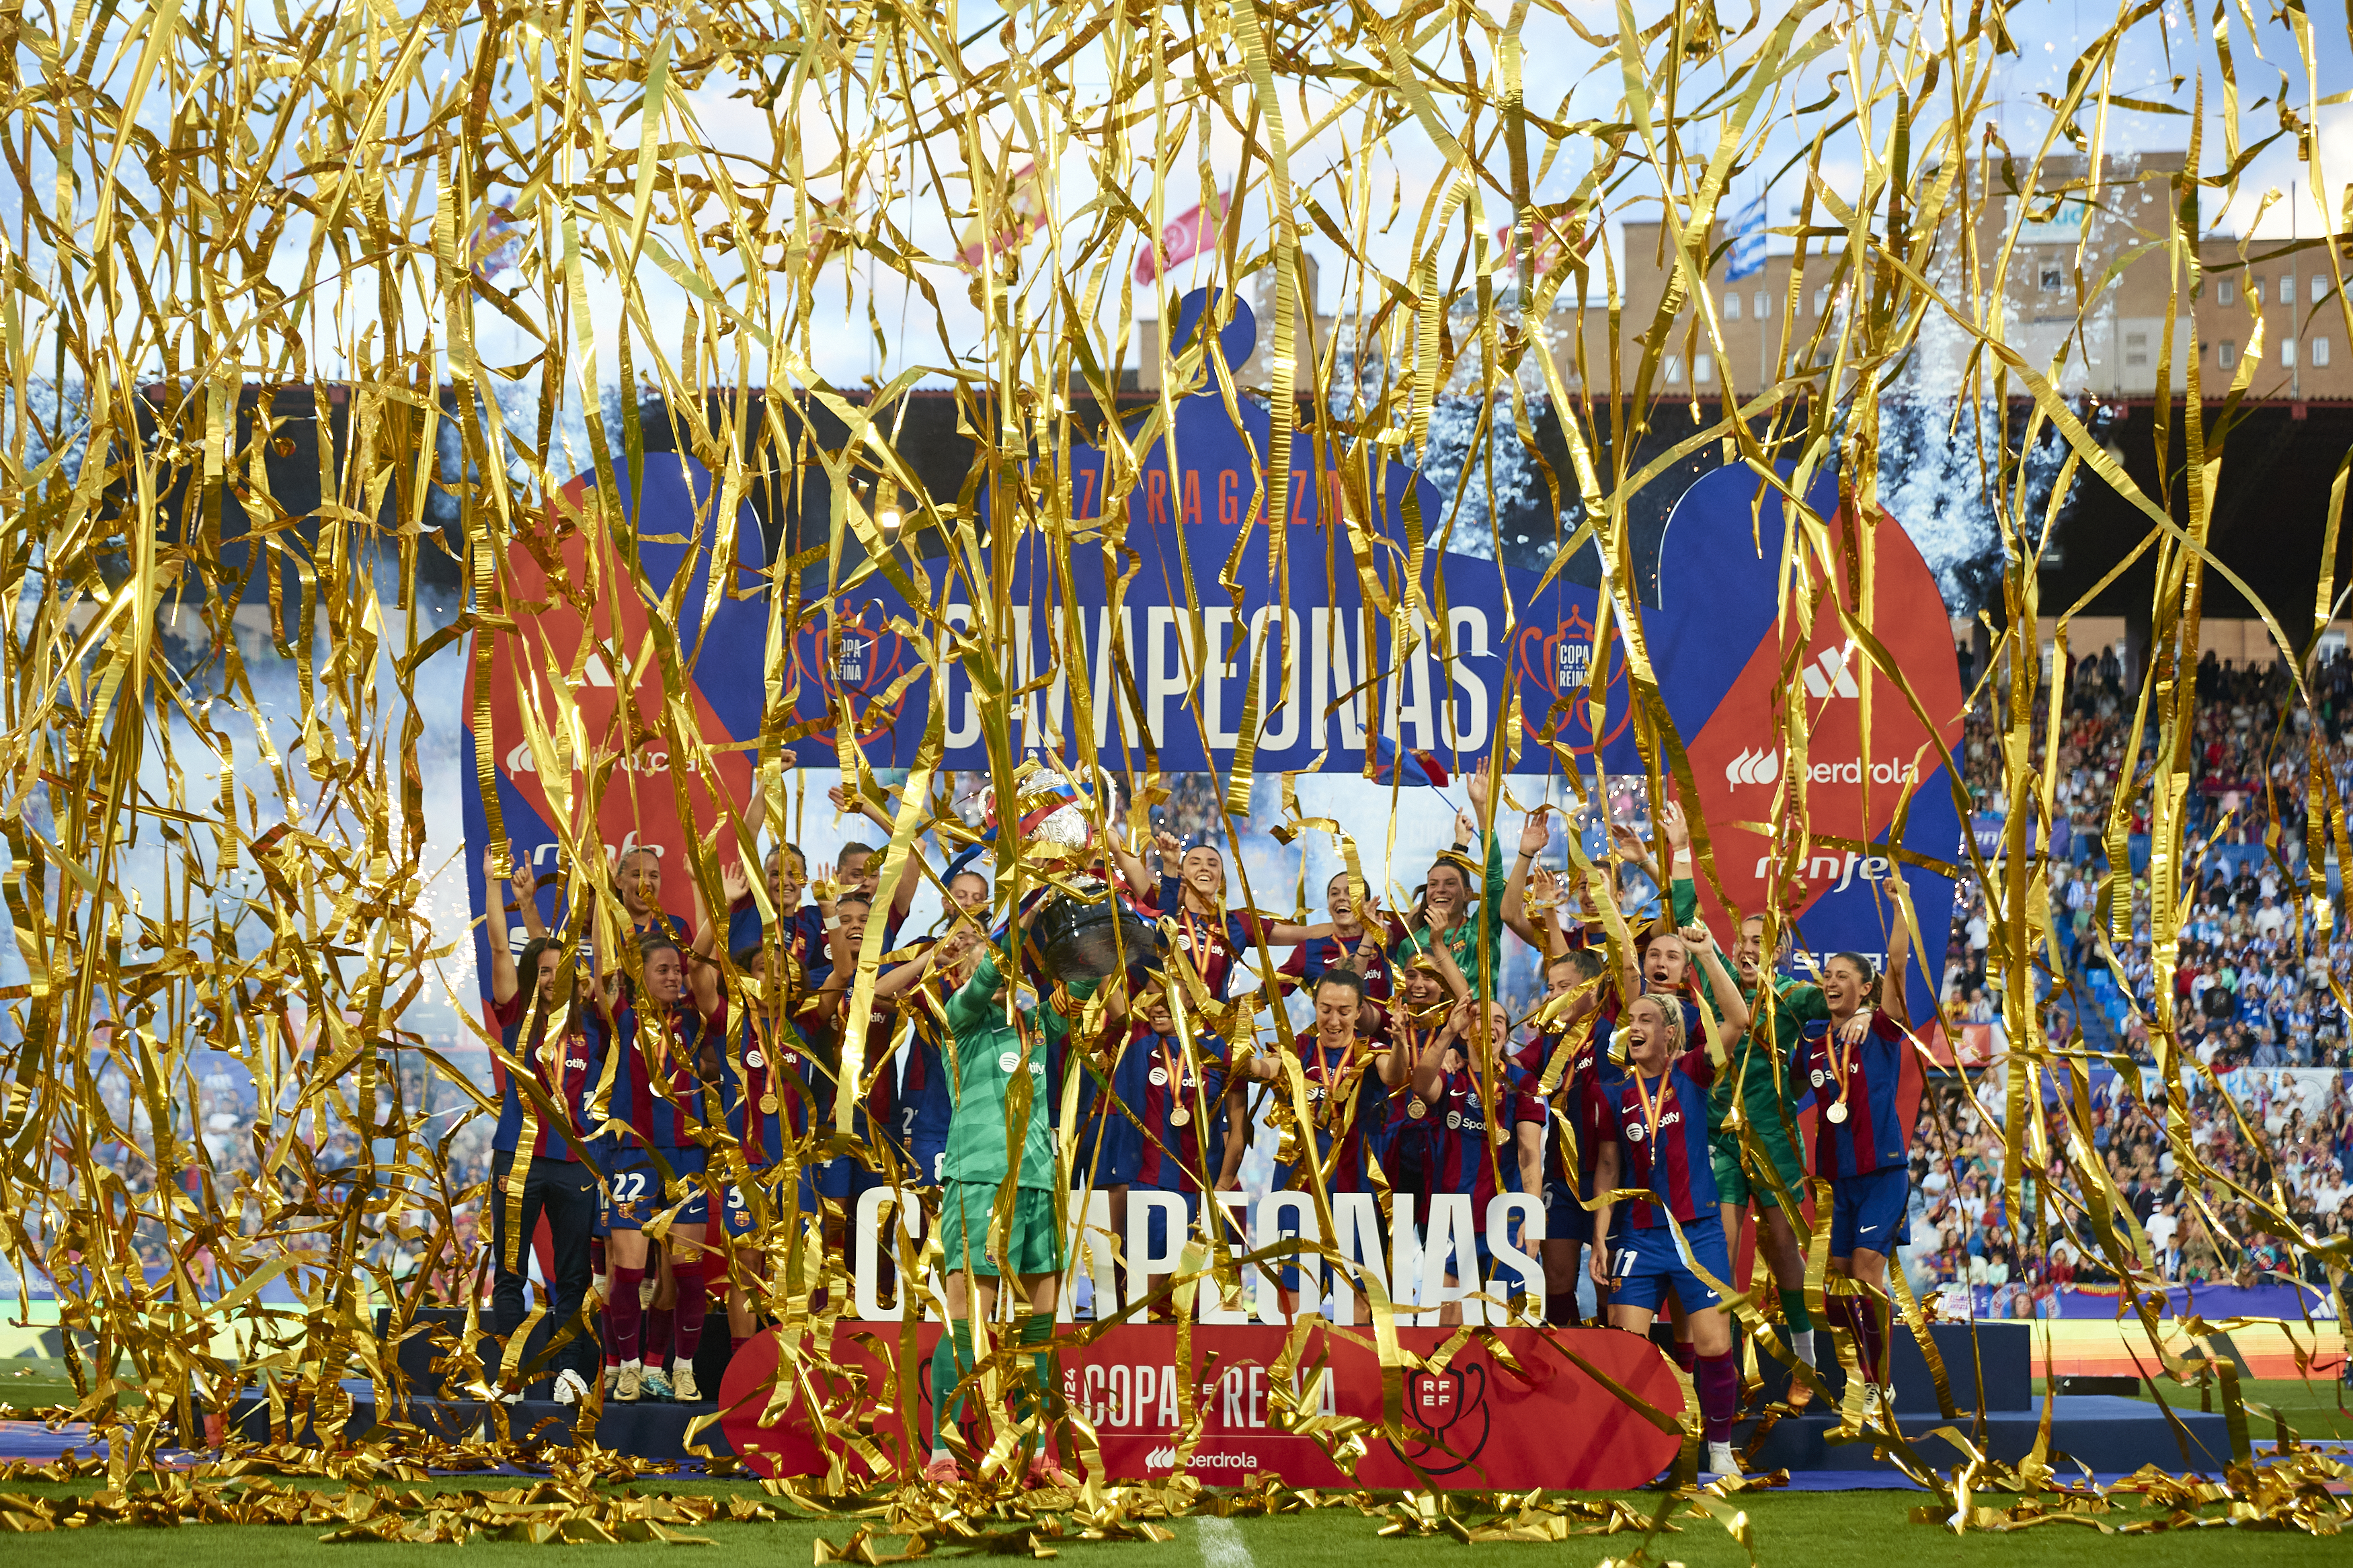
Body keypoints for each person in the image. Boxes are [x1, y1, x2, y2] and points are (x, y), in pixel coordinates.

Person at [924, 913, 1103, 1489]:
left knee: (1039, 1325)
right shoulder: (963, 1020)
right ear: (958, 975)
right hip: (979, 1179)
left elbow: (1081, 980)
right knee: (969, 1319)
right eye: (972, 956)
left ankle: (1034, 1449)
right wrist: (1015, 918)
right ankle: (942, 1451)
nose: (990, 964)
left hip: (1037, 1182)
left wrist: (1099, 922)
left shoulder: (1038, 1022)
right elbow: (987, 977)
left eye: (991, 952)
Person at [1589, 925, 1751, 1480]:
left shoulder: (1692, 1073)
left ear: (1671, 1032)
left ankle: (1720, 1449)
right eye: (1630, 1019)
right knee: (1627, 1350)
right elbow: (1609, 1167)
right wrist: (1598, 1239)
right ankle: (1642, 1451)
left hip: (1697, 1230)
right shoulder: (1616, 1092)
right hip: (1638, 1234)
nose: (1633, 1027)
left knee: (1712, 1343)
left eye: (1646, 1020)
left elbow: (1738, 1021)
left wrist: (1706, 952)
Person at [483, 848, 606, 1405]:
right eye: (546, 972)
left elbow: (554, 953)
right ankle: (510, 1371)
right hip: (520, 1159)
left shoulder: (590, 1027)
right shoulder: (517, 1016)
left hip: (574, 1165)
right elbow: (501, 948)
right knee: (510, 1271)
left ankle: (571, 1373)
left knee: (575, 1278)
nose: (555, 979)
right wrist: (495, 886)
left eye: (564, 971)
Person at [1802, 872, 1917, 1423]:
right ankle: (1861, 1373)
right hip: (1836, 1180)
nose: (1832, 980)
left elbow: (1897, 966)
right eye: (1828, 974)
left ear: (1865, 989)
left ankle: (1879, 1385)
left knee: (1869, 1268)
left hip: (1883, 1172)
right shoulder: (1811, 1041)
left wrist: (1903, 907)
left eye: (1844, 975)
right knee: (1838, 1287)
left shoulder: (1884, 1026)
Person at [1234, 967, 1410, 1322]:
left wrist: (1402, 1043)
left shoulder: (1370, 1052)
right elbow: (1263, 1068)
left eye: (1344, 1011)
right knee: (1294, 1296)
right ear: (1314, 1005)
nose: (1334, 1020)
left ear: (1359, 1012)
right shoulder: (1296, 1050)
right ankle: (1295, 1375)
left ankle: (1350, 1376)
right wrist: (1235, 1052)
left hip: (1353, 1195)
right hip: (1299, 1192)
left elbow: (1396, 1074)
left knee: (1358, 1299)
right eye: (1325, 1009)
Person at [595, 930, 723, 1403]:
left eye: (676, 969)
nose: (673, 976)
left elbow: (705, 958)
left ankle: (680, 1369)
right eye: (661, 969)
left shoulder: (693, 1018)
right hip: (631, 1155)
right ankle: (629, 1368)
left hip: (687, 1157)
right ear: (639, 975)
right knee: (627, 1272)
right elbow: (604, 960)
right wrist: (597, 891)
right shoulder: (620, 1017)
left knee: (687, 1273)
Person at [1718, 907, 1837, 1368]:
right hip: (1723, 1139)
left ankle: (1806, 1359)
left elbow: (1835, 998)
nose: (1750, 948)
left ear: (1780, 952)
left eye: (1761, 941)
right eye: (1744, 940)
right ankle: (1723, 1371)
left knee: (1786, 1247)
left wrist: (1863, 1012)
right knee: (1722, 1251)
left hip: (1776, 1140)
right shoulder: (1716, 987)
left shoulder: (1792, 996)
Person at [1398, 997, 1546, 1322]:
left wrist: (1533, 1216)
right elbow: (1421, 1084)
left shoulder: (1523, 1084)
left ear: (1506, 1035)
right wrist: (1447, 1033)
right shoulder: (1453, 1079)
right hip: (1451, 1222)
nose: (1490, 1026)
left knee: (1510, 1329)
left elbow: (1529, 1154)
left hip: (1505, 1223)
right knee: (1445, 1331)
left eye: (1499, 1021)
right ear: (1467, 1031)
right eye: (1480, 1018)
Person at [1123, 985, 1230, 1309]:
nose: (1158, 1005)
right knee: (1145, 1299)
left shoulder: (1217, 1049)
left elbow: (1234, 1129)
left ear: (1193, 999)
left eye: (1167, 996)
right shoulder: (1140, 1043)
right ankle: (1142, 1359)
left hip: (1201, 1189)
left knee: (1198, 1304)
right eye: (1153, 995)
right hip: (1151, 1184)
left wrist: (1223, 1182)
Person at [1388, 774, 1510, 999]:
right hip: (1428, 1035)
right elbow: (1403, 1002)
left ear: (1467, 894)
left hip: (1474, 1032)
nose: (1440, 890)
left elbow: (1493, 877)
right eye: (1433, 884)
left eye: (1450, 884)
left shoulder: (1482, 930)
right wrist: (1458, 848)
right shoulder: (1410, 945)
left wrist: (1481, 809)